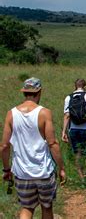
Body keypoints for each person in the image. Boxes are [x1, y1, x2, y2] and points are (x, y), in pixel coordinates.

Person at [1, 78, 66, 219]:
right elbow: (52, 143)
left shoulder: (11, 114)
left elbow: (4, 146)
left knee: (27, 207)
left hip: (22, 172)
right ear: (39, 92)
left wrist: (6, 170)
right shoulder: (44, 113)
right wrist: (61, 168)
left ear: (24, 92)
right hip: (43, 171)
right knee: (47, 207)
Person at [61, 79, 86, 179]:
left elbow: (66, 116)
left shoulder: (68, 98)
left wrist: (63, 132)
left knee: (78, 154)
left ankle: (82, 179)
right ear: (85, 86)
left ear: (75, 86)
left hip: (73, 130)